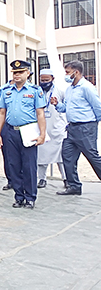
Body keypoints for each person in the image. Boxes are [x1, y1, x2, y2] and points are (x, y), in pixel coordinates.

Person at [0, 60, 46, 209]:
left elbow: (40, 113)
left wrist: (42, 134)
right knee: (13, 165)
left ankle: (30, 197)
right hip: (10, 132)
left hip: (28, 131)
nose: (17, 75)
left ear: (27, 73)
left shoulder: (35, 91)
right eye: (14, 72)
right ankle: (19, 196)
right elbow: (2, 113)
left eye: (20, 72)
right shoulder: (6, 91)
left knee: (29, 166)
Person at [51, 60, 101, 195]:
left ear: (76, 72)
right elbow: (66, 108)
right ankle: (74, 186)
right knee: (67, 156)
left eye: (67, 72)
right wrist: (57, 104)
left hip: (85, 127)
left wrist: (92, 124)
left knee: (92, 157)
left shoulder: (87, 87)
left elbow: (98, 107)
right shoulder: (69, 89)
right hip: (72, 128)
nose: (66, 75)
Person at [37, 69, 67, 189]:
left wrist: (57, 105)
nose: (44, 82)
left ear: (52, 79)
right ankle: (42, 179)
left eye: (47, 80)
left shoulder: (60, 91)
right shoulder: (37, 91)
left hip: (57, 128)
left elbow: (67, 106)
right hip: (42, 128)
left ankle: (66, 179)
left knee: (61, 157)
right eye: (42, 80)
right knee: (41, 156)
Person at [0, 79, 15, 190]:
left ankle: (24, 181)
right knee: (7, 155)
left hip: (24, 127)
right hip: (6, 126)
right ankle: (11, 180)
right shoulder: (4, 90)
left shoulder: (32, 90)